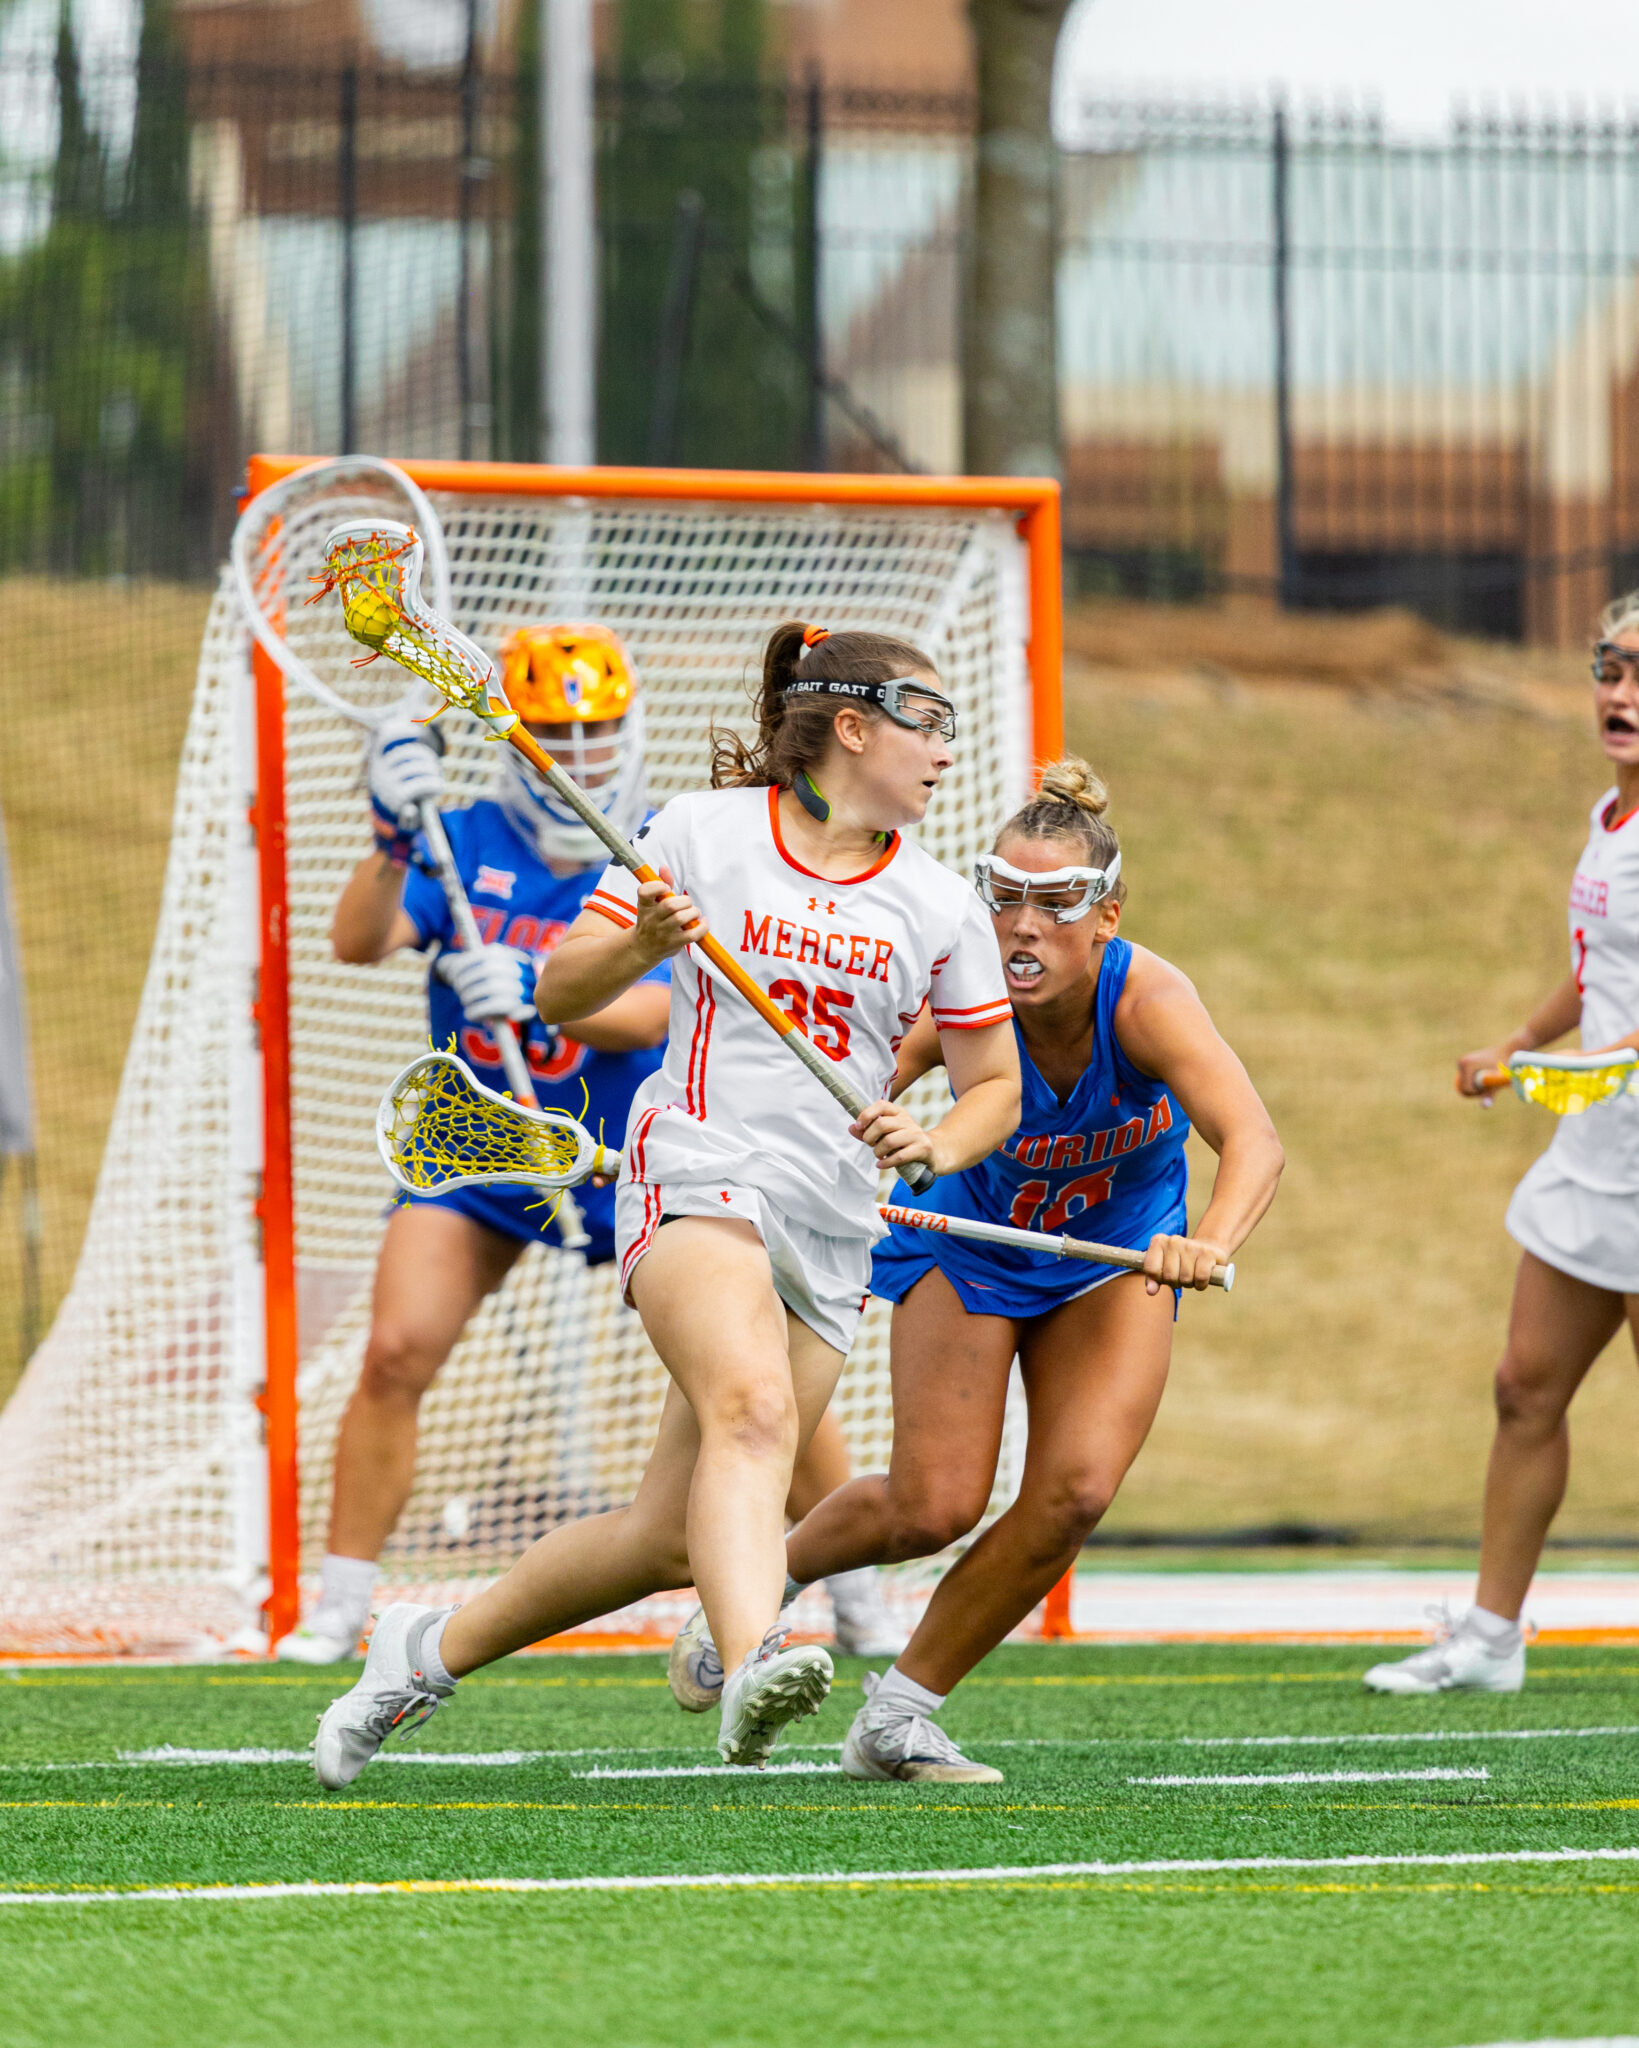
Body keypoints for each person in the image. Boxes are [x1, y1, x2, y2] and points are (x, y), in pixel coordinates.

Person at [310, 619, 1020, 1784]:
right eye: (927, 722)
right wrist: (641, 939)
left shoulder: (943, 907)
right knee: (752, 1412)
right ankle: (755, 1660)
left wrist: (936, 1133)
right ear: (851, 727)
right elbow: (562, 993)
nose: (946, 750)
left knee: (658, 1538)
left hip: (831, 1224)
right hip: (694, 1170)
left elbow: (991, 1087)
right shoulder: (699, 832)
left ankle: (419, 1651)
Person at [672, 759, 1282, 1780]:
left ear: (1106, 914)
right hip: (970, 1235)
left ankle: (898, 1715)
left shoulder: (1147, 998)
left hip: (1112, 1248)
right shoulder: (960, 988)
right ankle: (753, 1583)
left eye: (1056, 903)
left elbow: (1251, 1137)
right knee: (932, 1505)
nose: (1023, 925)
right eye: (1003, 895)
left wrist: (1209, 1239)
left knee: (1075, 1491)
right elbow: (856, 1090)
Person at [275, 623, 670, 1662]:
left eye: (598, 727)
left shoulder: (665, 838)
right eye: (556, 730)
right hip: (486, 1142)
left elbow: (675, 1008)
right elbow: (356, 940)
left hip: (629, 1153)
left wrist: (551, 998)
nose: (580, 749)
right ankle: (339, 1602)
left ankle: (851, 1586)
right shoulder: (465, 837)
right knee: (397, 1348)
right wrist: (392, 836)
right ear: (513, 730)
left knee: (741, 1367)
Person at [1366, 591, 1639, 1696]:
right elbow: (1598, 968)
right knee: (1525, 1385)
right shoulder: (1606, 815)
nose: (1621, 696)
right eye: (1609, 670)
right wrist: (1521, 1041)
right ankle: (1487, 1638)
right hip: (1596, 1152)